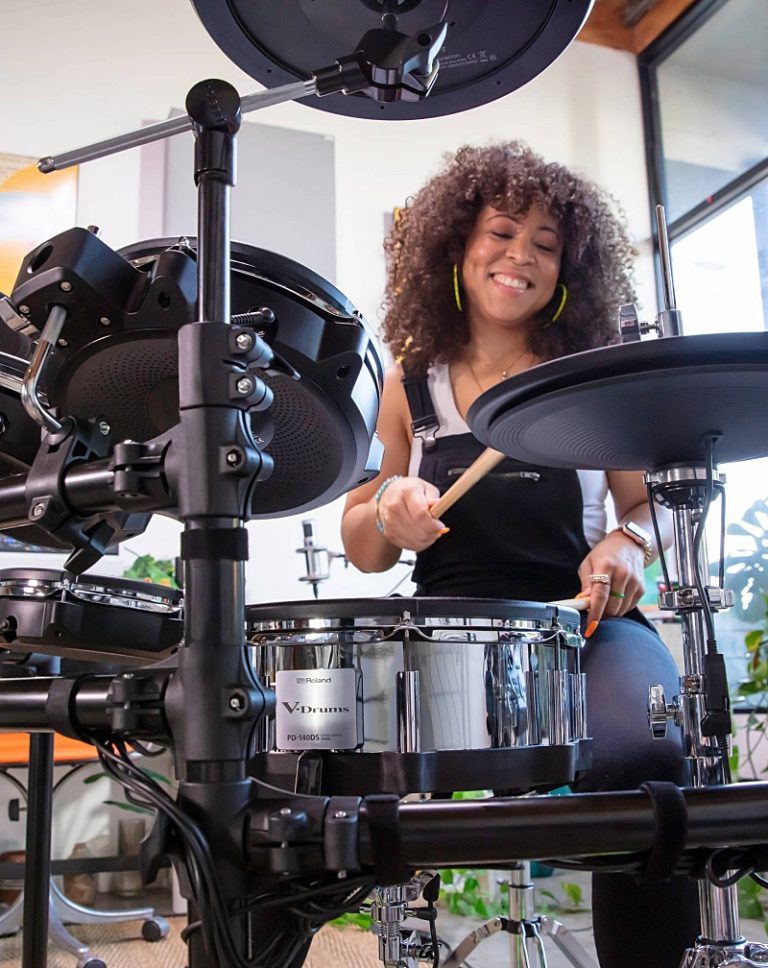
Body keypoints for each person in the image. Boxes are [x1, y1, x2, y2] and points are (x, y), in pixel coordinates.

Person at [341, 141, 700, 967]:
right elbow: (360, 545)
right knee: (339, 756)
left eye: (545, 243)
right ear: (457, 248)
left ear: (569, 268)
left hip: (584, 626)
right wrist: (388, 512)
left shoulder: (588, 376)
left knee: (646, 751)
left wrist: (628, 541)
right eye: (502, 233)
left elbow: (644, 504)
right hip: (443, 632)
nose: (521, 257)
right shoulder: (409, 382)